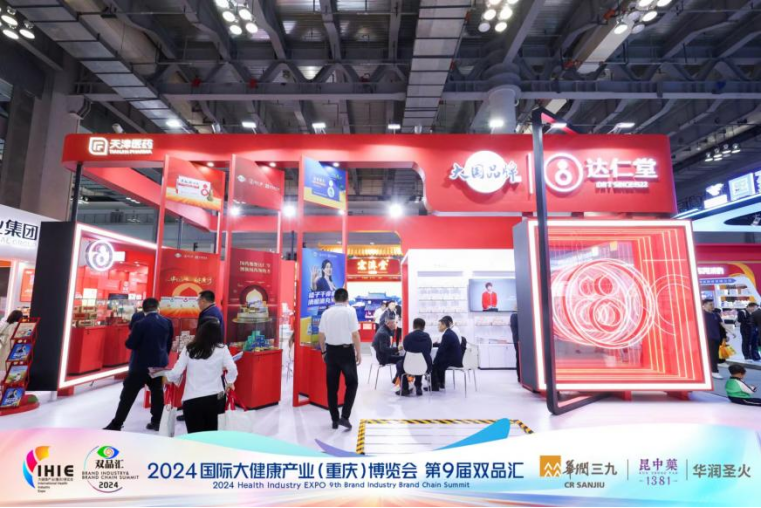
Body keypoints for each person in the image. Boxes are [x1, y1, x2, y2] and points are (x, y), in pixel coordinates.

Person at [105, 298, 173, 431]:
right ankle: (157, 421)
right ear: (157, 307)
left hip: (140, 365)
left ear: (144, 309)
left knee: (128, 395)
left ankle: (117, 423)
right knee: (157, 393)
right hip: (158, 364)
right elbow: (168, 343)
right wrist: (162, 357)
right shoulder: (167, 322)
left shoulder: (140, 323)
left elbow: (130, 344)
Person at [161, 322, 238, 433]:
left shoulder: (189, 349)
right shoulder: (222, 349)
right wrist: (230, 381)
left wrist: (167, 377)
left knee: (195, 437)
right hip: (215, 398)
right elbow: (232, 369)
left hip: (192, 399)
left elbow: (176, 372)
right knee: (213, 435)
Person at [318, 288, 361, 430]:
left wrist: (323, 351)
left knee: (332, 387)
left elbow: (321, 335)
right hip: (346, 351)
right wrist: (359, 352)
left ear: (334, 299)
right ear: (347, 299)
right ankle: (345, 417)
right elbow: (355, 334)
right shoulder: (350, 311)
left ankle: (334, 420)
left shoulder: (326, 313)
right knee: (352, 383)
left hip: (331, 352)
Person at [395, 318, 432, 396]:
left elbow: (406, 349)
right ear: (423, 327)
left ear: (413, 326)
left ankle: (405, 388)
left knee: (399, 364)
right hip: (425, 366)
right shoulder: (427, 337)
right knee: (421, 362)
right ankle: (418, 385)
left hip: (409, 366)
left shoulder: (408, 337)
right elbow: (429, 350)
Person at [429, 315, 462, 391]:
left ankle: (435, 386)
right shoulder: (449, 332)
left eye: (439, 325)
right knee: (438, 362)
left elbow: (441, 351)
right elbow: (443, 347)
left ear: (444, 325)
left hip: (453, 360)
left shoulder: (447, 335)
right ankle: (440, 383)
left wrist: (435, 361)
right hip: (455, 358)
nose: (438, 327)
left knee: (434, 364)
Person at [702, 299, 723, 380]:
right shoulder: (701, 314)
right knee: (711, 355)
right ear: (704, 305)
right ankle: (714, 371)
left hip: (716, 337)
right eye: (710, 304)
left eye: (713, 304)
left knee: (714, 355)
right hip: (706, 337)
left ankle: (712, 370)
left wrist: (731, 332)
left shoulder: (716, 315)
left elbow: (722, 324)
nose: (712, 306)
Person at [0, 310, 23, 379]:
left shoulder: (6, 325)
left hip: (4, 349)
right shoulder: (17, 325)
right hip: (13, 350)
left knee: (3, 367)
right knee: (11, 369)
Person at [510, 309, 520, 382]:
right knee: (519, 358)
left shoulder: (513, 316)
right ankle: (520, 377)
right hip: (518, 341)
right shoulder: (515, 316)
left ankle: (520, 377)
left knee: (519, 358)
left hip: (517, 340)